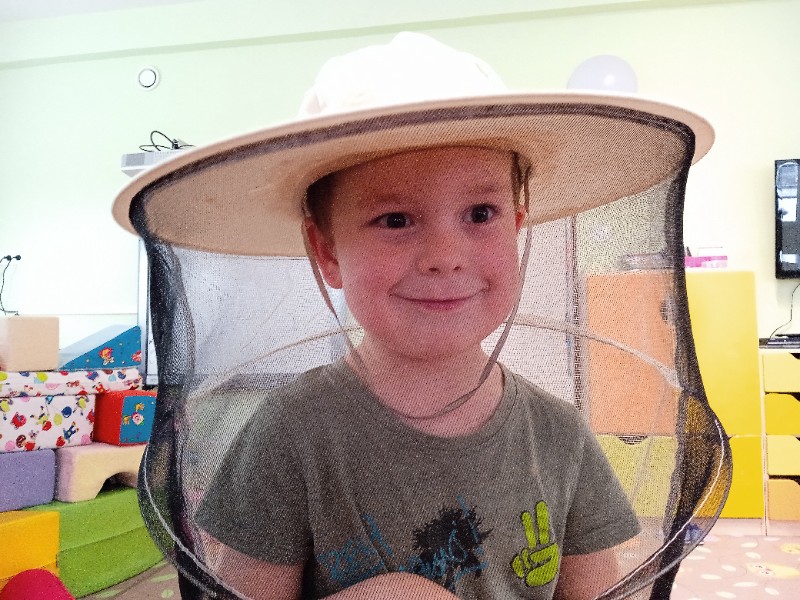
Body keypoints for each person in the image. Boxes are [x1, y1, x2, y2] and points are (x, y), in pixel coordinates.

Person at [112, 30, 714, 600]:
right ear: (327, 251)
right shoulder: (287, 437)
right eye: (395, 220)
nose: (445, 256)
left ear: (517, 224)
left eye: (480, 213)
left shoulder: (560, 438)